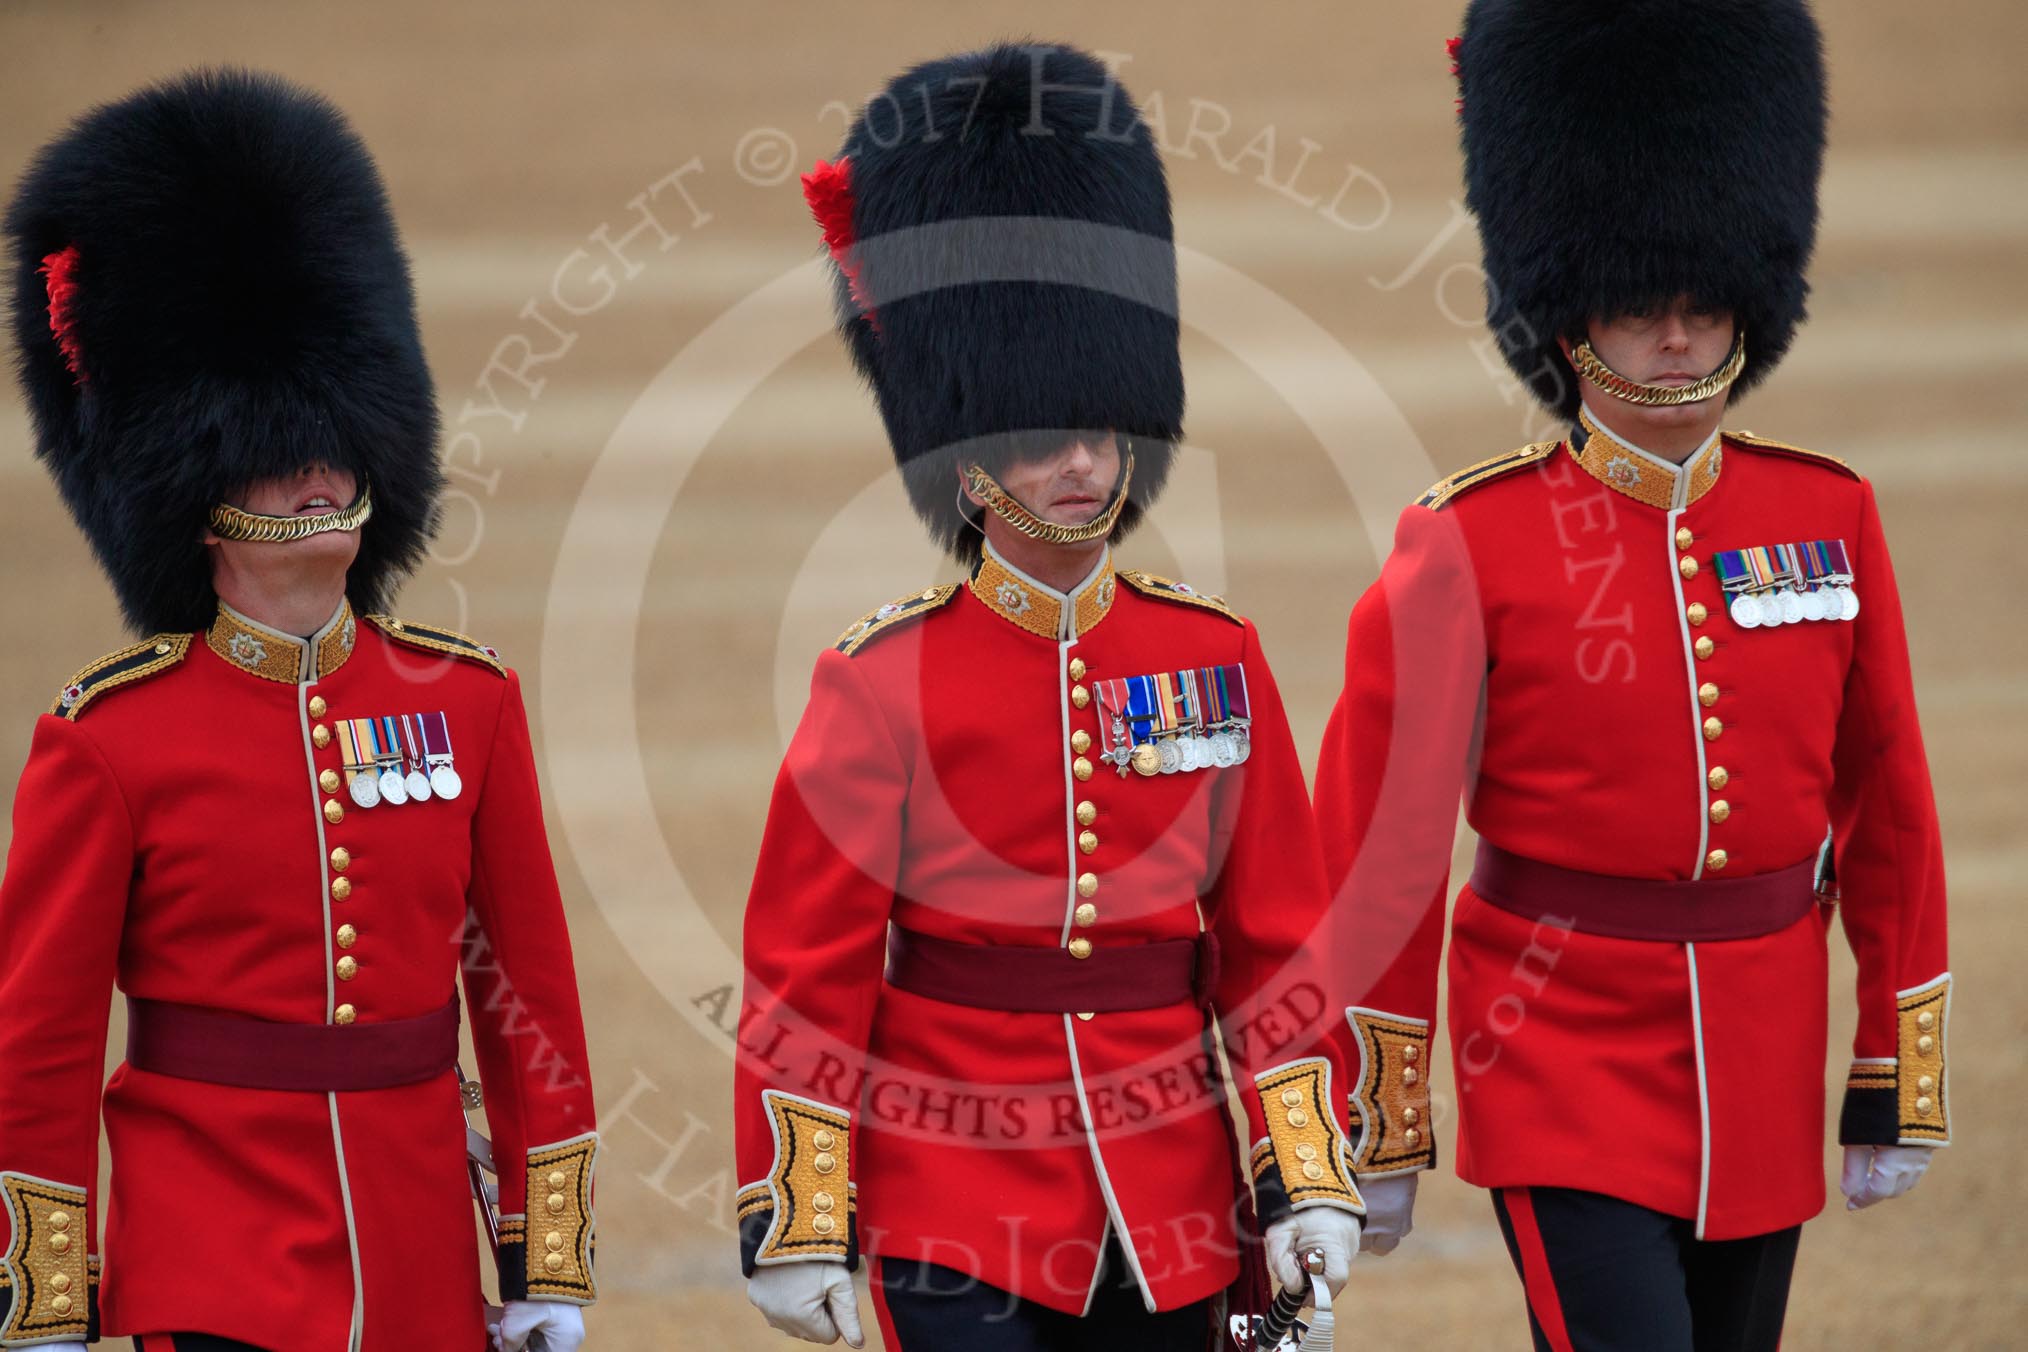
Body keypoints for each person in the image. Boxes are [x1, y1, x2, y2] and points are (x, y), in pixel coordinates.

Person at [1311, 2, 1950, 1347]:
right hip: (1558, 1053)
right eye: (1639, 312)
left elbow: (1886, 800)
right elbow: (1386, 847)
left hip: (1764, 1052)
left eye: (1702, 310)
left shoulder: (1824, 512)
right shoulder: (1468, 540)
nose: (1673, 342)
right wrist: (1370, 1112)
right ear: (1568, 325)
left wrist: (1898, 1055)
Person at [735, 42, 1364, 1351]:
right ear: (969, 465)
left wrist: (1304, 1169)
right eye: (1038, 436)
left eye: (1101, 430)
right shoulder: (880, 679)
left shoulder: (1216, 657)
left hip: (1172, 1193)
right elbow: (811, 975)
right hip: (946, 1199)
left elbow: (1275, 950)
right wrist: (798, 1211)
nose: (1082, 464)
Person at [0, 70, 597, 1352]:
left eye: (340, 439)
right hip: (203, 1257)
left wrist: (546, 1260)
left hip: (422, 1250)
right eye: (277, 448)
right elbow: (41, 1043)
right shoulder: (110, 737)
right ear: (195, 487)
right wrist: (48, 1297)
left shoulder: (469, 701)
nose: (322, 472)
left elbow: (526, 1005)